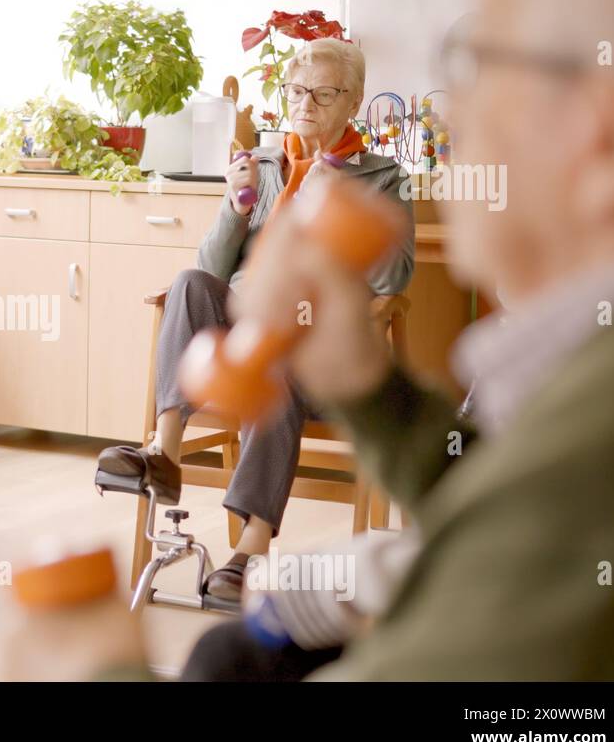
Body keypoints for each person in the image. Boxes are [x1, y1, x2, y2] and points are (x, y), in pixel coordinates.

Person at [185, 0, 614, 679]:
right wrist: (372, 389)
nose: (447, 109)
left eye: (477, 68)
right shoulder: (609, 351)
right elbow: (510, 519)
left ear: (608, 146)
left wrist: (89, 659)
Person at [96, 38, 415, 601]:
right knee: (188, 285)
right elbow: (211, 267)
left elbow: (395, 279)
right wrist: (236, 208)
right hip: (242, 330)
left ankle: (250, 552)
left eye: (323, 92)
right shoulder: (265, 163)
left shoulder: (383, 176)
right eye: (296, 91)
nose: (306, 104)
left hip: (313, 349)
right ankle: (164, 453)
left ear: (355, 99)